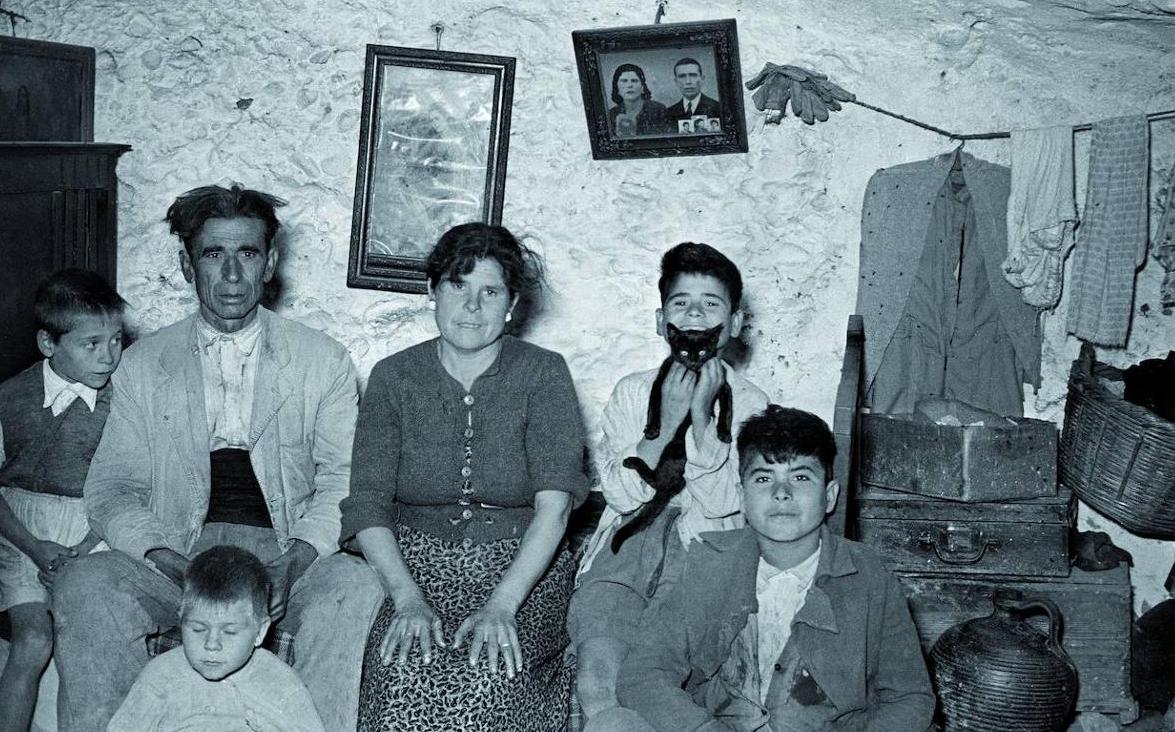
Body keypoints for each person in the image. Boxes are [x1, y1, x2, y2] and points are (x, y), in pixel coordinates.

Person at [52, 184, 383, 732]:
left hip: (286, 547)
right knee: (84, 585)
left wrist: (293, 562)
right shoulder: (144, 363)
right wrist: (168, 560)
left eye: (247, 253)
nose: (231, 274)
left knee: (354, 587)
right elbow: (111, 489)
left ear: (269, 264)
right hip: (178, 548)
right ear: (188, 266)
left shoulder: (322, 360)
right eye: (213, 254)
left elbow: (344, 480)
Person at [339, 222, 589, 732]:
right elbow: (367, 504)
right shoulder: (394, 377)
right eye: (458, 285)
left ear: (512, 303)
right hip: (415, 570)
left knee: (488, 680)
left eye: (490, 291)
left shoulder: (544, 373)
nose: (472, 306)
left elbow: (556, 507)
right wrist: (406, 599)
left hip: (522, 572)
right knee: (401, 677)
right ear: (432, 290)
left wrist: (502, 607)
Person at [610, 406, 935, 731]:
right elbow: (643, 673)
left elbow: (910, 698)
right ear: (742, 496)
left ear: (829, 496)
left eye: (800, 477)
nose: (781, 493)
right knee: (613, 723)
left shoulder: (869, 577)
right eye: (764, 478)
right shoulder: (709, 564)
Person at [569, 243, 770, 729]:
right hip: (626, 552)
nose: (695, 314)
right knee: (598, 678)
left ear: (735, 323)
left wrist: (702, 422)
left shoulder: (752, 405)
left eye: (710, 303)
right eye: (681, 303)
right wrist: (662, 430)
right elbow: (620, 495)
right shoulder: (633, 392)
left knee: (655, 685)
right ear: (662, 321)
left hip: (703, 557)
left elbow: (724, 504)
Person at [0, 268, 125, 732]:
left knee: (80, 644)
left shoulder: (125, 401)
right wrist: (33, 547)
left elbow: (125, 487)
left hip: (93, 531)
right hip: (21, 533)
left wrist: (85, 548)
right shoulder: (7, 400)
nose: (108, 356)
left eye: (116, 340)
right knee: (33, 641)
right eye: (91, 344)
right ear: (48, 343)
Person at [106, 546, 327, 732]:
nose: (211, 645)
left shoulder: (281, 684)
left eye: (229, 632)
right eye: (198, 629)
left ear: (260, 631)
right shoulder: (160, 676)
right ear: (181, 620)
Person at [606, 63, 668, 138]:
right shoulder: (610, 115)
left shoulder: (658, 110)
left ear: (642, 87)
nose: (629, 85)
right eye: (624, 81)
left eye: (634, 81)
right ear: (617, 87)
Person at [664, 58, 722, 129]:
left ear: (702, 79)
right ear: (676, 81)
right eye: (682, 76)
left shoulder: (718, 109)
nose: (688, 81)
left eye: (693, 75)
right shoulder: (669, 113)